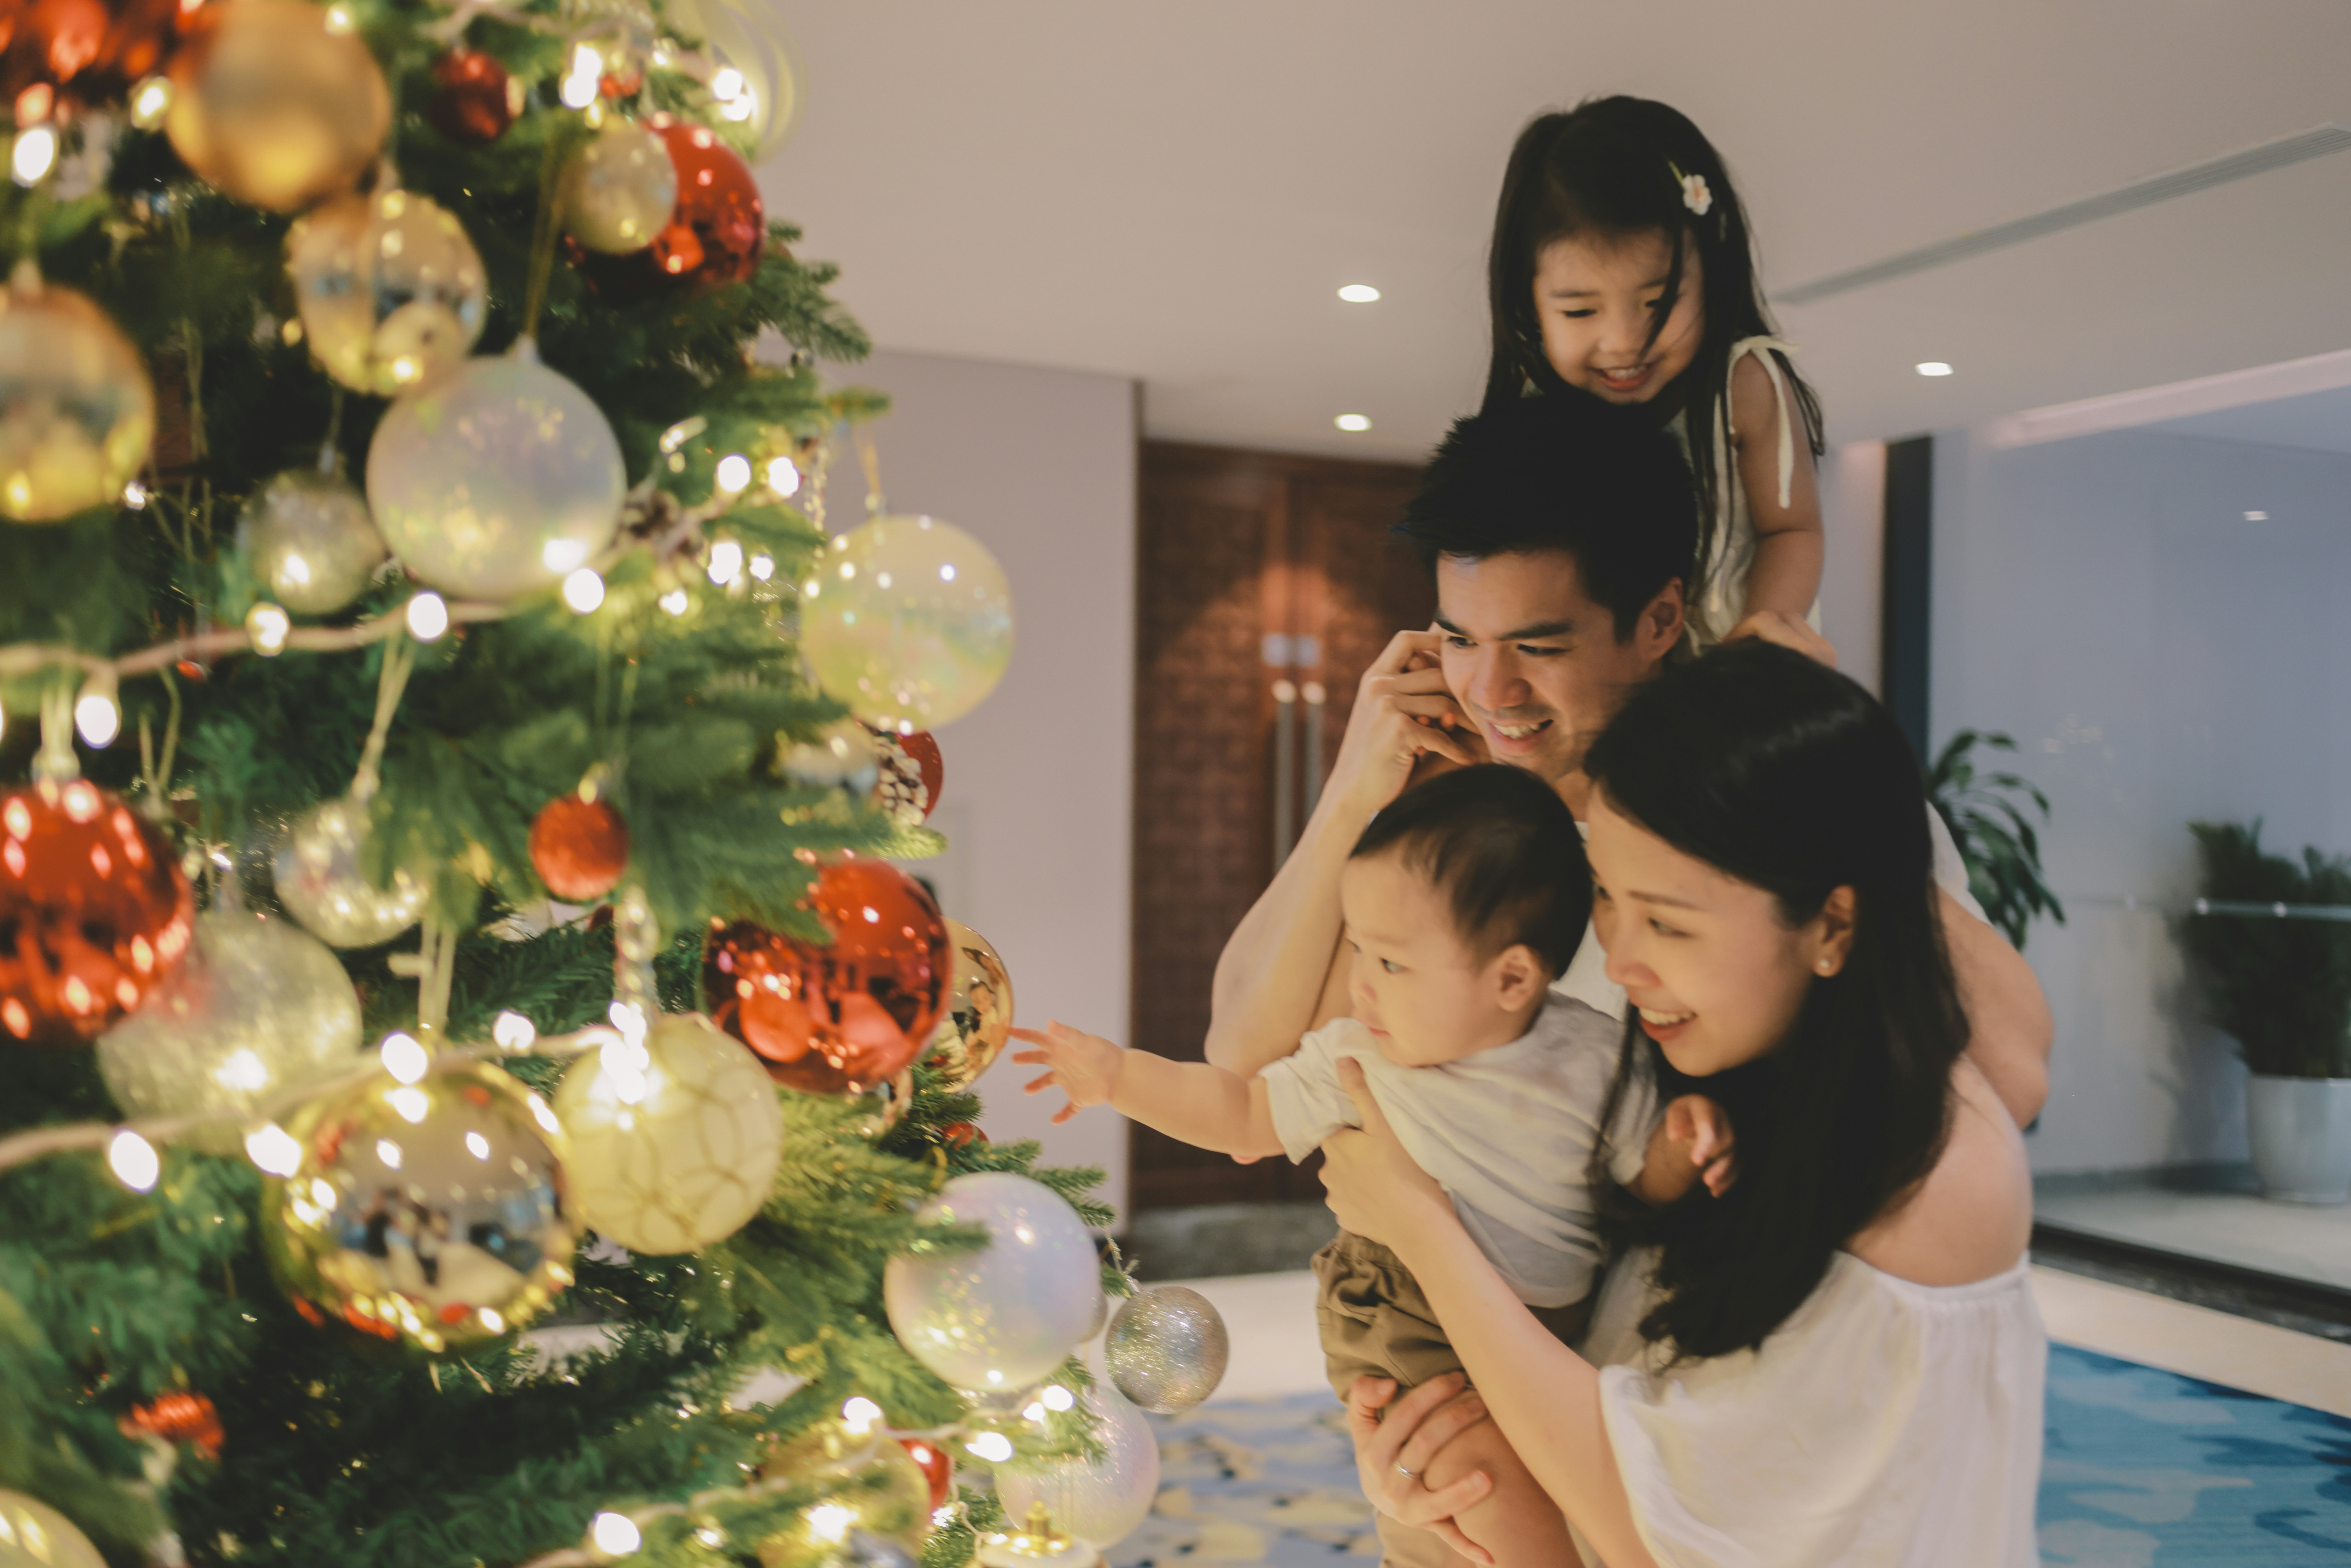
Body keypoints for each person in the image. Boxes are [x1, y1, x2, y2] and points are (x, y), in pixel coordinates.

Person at [1320, 642, 2044, 1567]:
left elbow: (1667, 1531)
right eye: (1610, 901)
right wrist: (1439, 1466)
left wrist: (1420, 1226)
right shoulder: (1726, 1083)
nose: (1620, 963)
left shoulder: (1928, 1182)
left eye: (1667, 921)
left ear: (1833, 924)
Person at [1202, 390, 2053, 1136]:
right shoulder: (1461, 829)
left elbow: (2010, 1078)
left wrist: (1827, 771)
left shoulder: (1777, 800)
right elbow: (1245, 1068)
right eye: (1460, 639)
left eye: (1537, 646)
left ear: (1658, 620)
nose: (1489, 690)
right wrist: (1354, 791)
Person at [1010, 766, 1734, 1568]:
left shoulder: (1595, 1054)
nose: (1359, 983)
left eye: (1391, 963)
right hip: (1406, 1312)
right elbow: (1240, 1111)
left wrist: (1688, 1145)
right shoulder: (1358, 1056)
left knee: (1559, 1478)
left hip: (1550, 1329)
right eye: (1359, 948)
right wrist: (1122, 1078)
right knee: (1482, 1488)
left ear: (1513, 978)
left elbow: (1645, 1179)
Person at [1485, 96, 1825, 650]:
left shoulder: (1743, 387)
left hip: (1724, 669)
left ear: (1711, 277)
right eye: (1580, 311)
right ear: (1529, 305)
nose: (1624, 342)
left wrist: (1760, 642)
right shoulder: (1534, 401)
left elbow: (1793, 529)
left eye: (1658, 302)